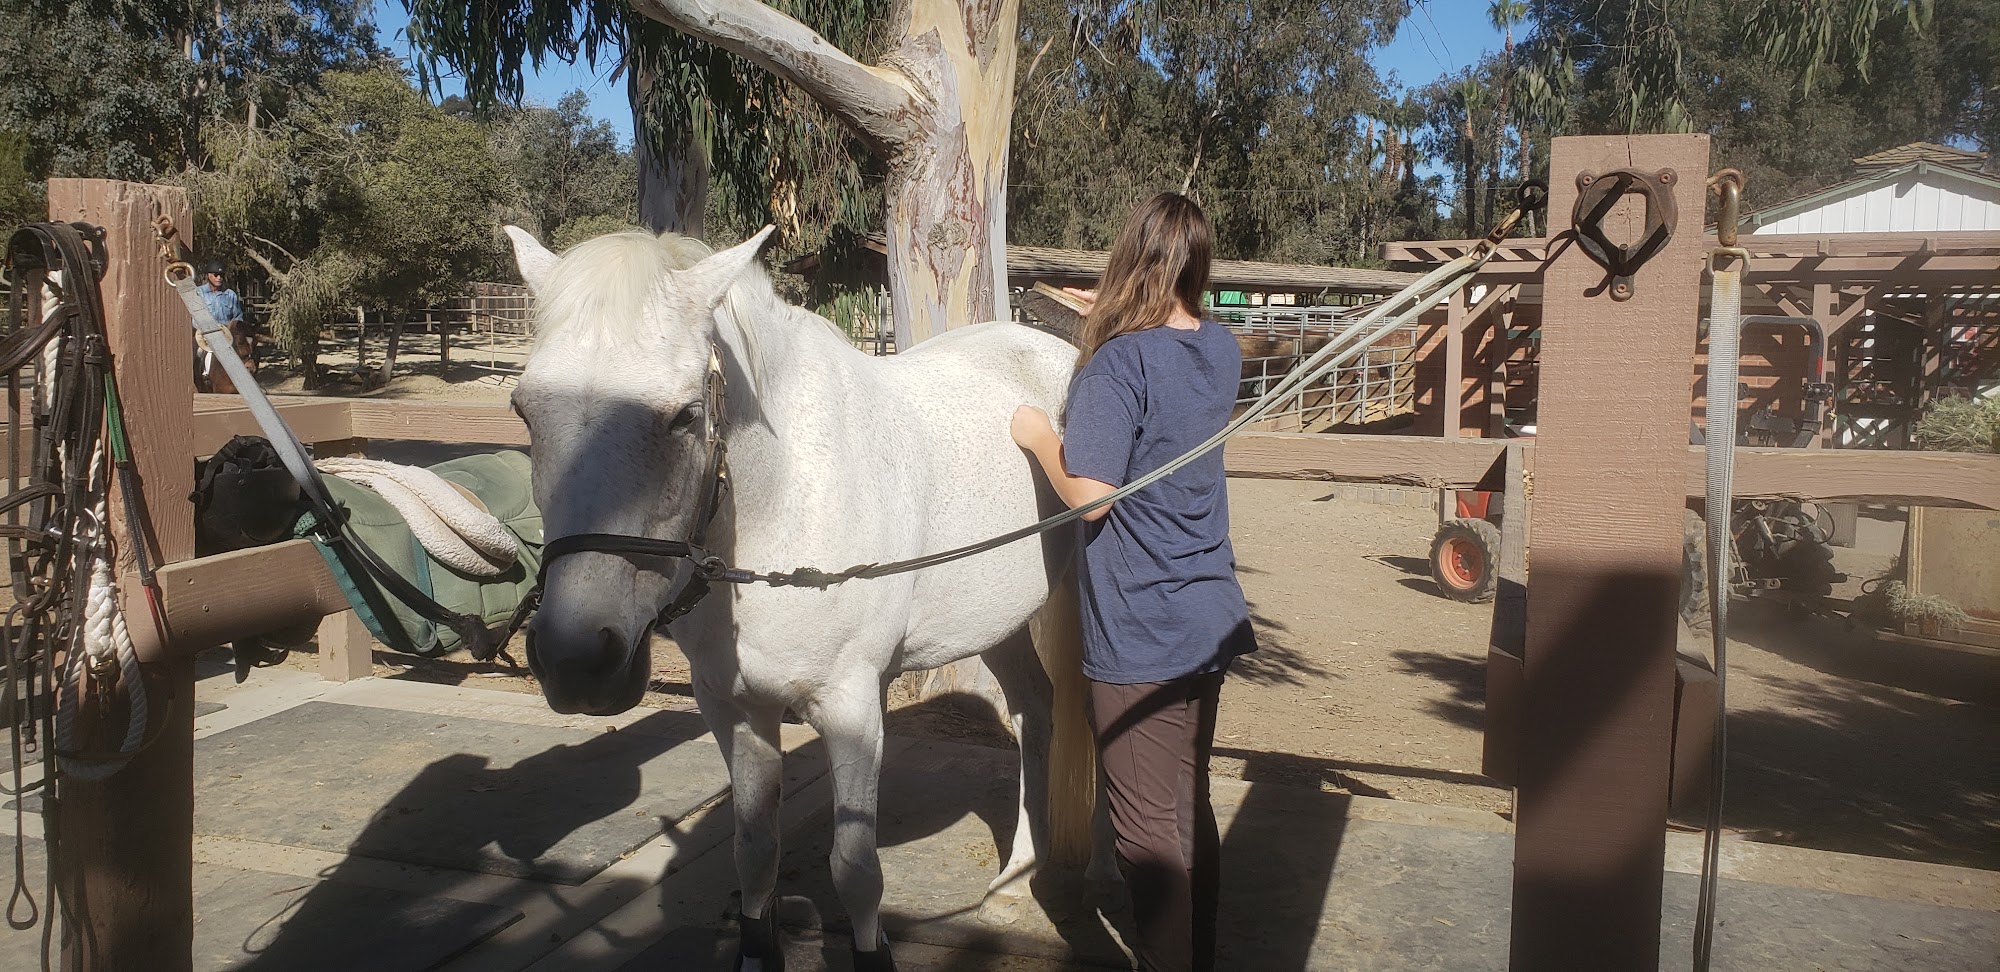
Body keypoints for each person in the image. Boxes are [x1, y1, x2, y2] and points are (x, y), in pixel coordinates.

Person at [1009, 192, 1256, 972]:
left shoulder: (1117, 363)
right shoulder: (1219, 350)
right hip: (1207, 612)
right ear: (1196, 266)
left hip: (1144, 627)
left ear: (1129, 261)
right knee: (1188, 803)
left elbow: (1091, 497)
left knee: (1146, 831)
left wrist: (1041, 438)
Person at [193, 262, 254, 391]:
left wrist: (233, 328)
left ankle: (247, 381)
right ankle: (203, 376)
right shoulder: (199, 293)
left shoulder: (230, 294)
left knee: (246, 350)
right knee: (200, 353)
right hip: (205, 333)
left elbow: (237, 316)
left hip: (227, 333)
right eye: (216, 275)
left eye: (221, 275)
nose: (219, 278)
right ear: (208, 275)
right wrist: (205, 329)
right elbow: (194, 316)